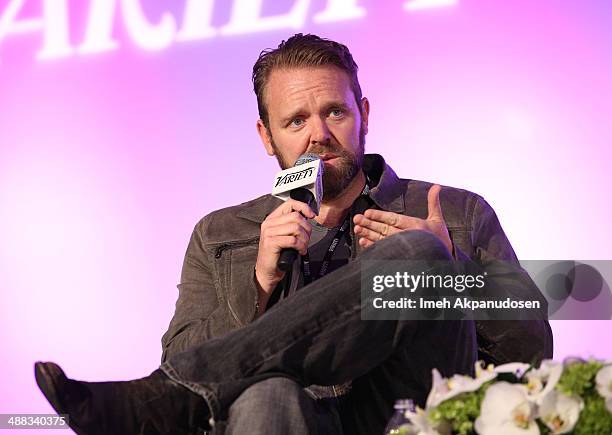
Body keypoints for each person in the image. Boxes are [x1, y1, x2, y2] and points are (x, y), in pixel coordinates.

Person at [35, 34, 553, 435]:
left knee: (420, 253)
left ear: (363, 114)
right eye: (295, 120)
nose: (318, 135)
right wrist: (258, 281)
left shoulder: (455, 210)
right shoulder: (221, 234)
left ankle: (171, 397)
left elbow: (531, 352)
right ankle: (185, 394)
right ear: (266, 136)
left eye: (334, 112)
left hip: (412, 411)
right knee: (268, 395)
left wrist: (449, 272)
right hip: (287, 419)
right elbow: (182, 349)